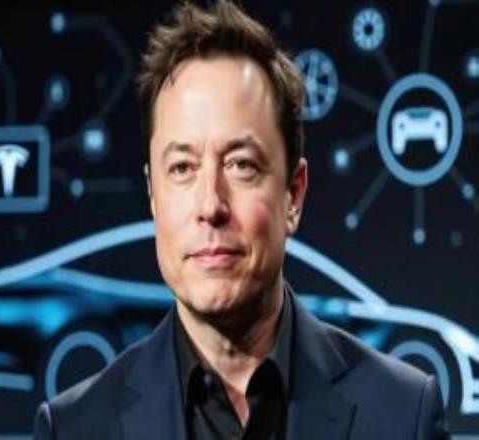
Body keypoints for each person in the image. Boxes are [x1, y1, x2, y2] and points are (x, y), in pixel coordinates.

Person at [34, 1, 449, 438]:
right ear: (153, 195)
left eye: (241, 165)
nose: (210, 205)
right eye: (182, 168)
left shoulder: (403, 415)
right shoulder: (74, 429)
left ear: (293, 195)